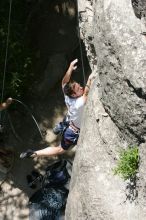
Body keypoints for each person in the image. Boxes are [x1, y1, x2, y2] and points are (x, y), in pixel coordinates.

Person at [20, 59, 95, 159]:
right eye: (78, 88)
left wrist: (70, 68)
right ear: (74, 94)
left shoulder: (68, 96)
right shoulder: (78, 103)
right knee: (60, 149)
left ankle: (58, 128)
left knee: (65, 124)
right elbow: (86, 93)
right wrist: (90, 79)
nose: (81, 87)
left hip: (70, 121)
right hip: (72, 131)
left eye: (79, 85)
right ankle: (35, 153)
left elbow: (64, 82)